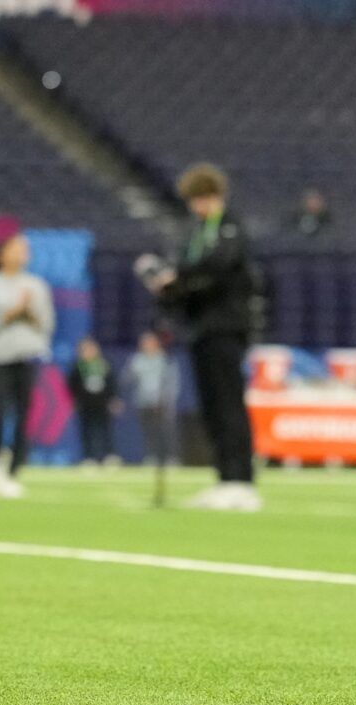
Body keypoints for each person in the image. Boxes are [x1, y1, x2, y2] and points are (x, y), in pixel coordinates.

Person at [138, 162, 260, 512]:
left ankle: (242, 480)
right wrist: (166, 287)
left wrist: (178, 278)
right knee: (210, 406)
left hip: (226, 326)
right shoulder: (194, 232)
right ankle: (224, 477)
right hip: (199, 327)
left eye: (202, 199)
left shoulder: (230, 227)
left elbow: (219, 265)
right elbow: (188, 278)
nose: (197, 207)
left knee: (229, 403)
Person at [0, 233, 53, 499]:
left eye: (24, 250)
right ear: (1, 253)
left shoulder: (36, 285)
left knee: (24, 414)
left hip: (28, 356)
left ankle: (13, 471)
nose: (21, 254)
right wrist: (13, 311)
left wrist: (28, 314)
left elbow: (47, 324)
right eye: (16, 249)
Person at [123, 330, 178, 472]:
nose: (146, 345)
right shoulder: (137, 360)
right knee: (148, 431)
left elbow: (172, 381)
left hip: (162, 401)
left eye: (149, 342)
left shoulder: (164, 359)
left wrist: (168, 398)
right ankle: (151, 457)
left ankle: (170, 458)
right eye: (144, 343)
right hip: (143, 401)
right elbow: (127, 378)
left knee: (165, 431)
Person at [66, 337, 119, 468]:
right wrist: (74, 400)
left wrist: (114, 398)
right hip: (85, 404)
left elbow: (112, 382)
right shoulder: (77, 366)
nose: (87, 352)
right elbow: (71, 385)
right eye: (84, 350)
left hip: (102, 403)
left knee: (105, 430)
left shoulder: (104, 364)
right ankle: (89, 458)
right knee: (86, 431)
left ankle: (109, 456)